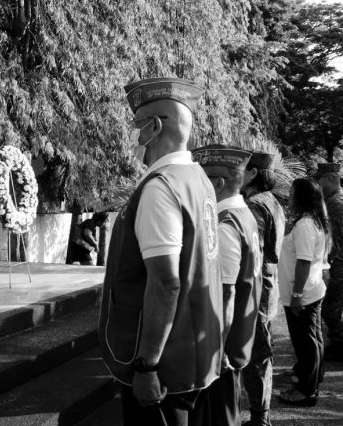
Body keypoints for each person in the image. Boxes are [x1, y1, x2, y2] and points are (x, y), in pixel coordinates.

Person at [99, 77, 223, 426]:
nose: (133, 137)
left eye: (136, 126)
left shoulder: (161, 187)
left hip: (164, 370)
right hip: (194, 358)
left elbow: (166, 282)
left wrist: (146, 365)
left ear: (153, 127)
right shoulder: (198, 179)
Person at [193, 144, 262, 426]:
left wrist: (217, 349)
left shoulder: (225, 224)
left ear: (217, 183)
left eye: (202, 179)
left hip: (220, 351)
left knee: (219, 417)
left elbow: (226, 294)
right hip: (237, 342)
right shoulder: (243, 215)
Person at [240, 151, 285, 426]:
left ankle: (260, 417)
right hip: (270, 283)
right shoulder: (273, 201)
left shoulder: (255, 204)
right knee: (262, 350)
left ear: (254, 173)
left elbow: (250, 252)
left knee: (256, 353)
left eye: (244, 170)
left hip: (258, 286)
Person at [277, 177, 328, 406]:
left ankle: (306, 391)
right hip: (310, 291)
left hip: (303, 295)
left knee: (305, 344)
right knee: (313, 341)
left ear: (302, 197)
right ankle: (312, 381)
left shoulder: (305, 225)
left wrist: (297, 295)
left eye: (292, 192)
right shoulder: (310, 221)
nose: (289, 196)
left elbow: (304, 262)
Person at [315, 162, 343, 361]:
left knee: (330, 307)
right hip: (337, 262)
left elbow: (335, 240)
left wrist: (327, 264)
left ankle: (339, 344)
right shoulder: (335, 199)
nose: (318, 184)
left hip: (337, 263)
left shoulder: (334, 203)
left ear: (332, 178)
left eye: (320, 179)